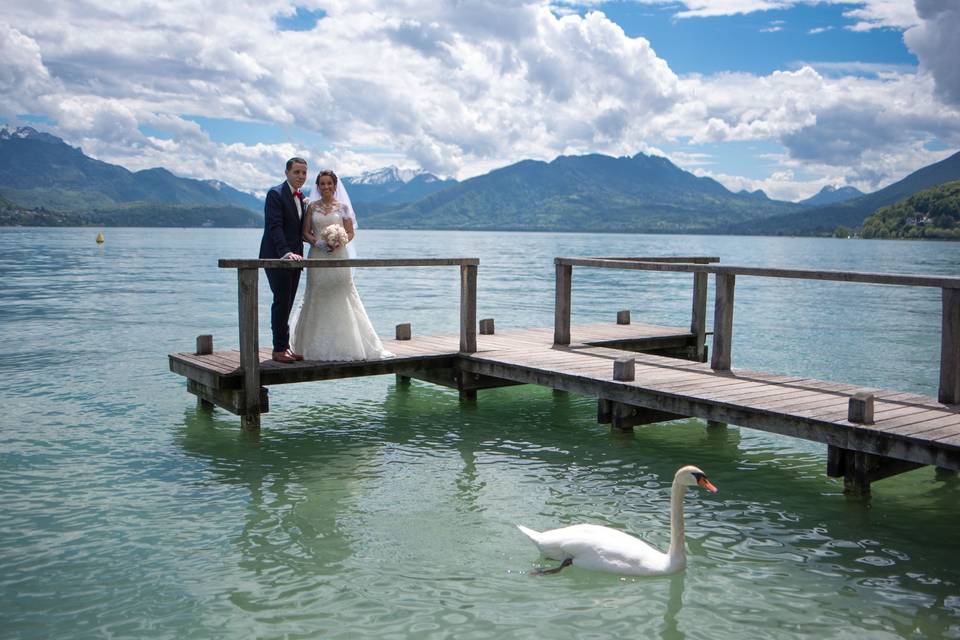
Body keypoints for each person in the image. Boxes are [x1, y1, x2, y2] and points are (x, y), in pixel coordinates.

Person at [290, 170, 393, 361]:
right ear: (318, 187)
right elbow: (305, 233)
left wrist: (340, 241)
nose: (326, 187)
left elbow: (350, 232)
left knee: (342, 293)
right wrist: (318, 242)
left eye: (330, 183)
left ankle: (349, 344)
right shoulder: (311, 207)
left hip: (339, 257)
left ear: (335, 186)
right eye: (322, 183)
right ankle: (311, 345)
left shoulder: (343, 207)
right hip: (318, 257)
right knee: (317, 294)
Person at [259, 157, 308, 363]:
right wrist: (285, 252)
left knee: (287, 303)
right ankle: (279, 349)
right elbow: (275, 226)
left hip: (296, 259)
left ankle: (285, 346)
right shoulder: (275, 194)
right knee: (281, 302)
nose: (300, 176)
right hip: (276, 257)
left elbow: (299, 231)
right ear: (286, 173)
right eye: (296, 172)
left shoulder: (300, 197)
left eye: (304, 173)